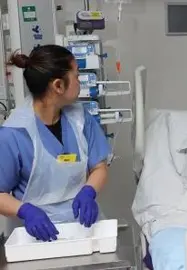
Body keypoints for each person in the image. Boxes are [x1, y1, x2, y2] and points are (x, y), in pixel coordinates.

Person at [0, 45, 111, 242]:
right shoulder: (14, 133)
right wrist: (24, 210)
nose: (79, 82)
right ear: (58, 86)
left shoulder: (81, 119)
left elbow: (99, 167)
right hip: (35, 234)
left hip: (82, 229)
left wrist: (89, 191)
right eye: (76, 76)